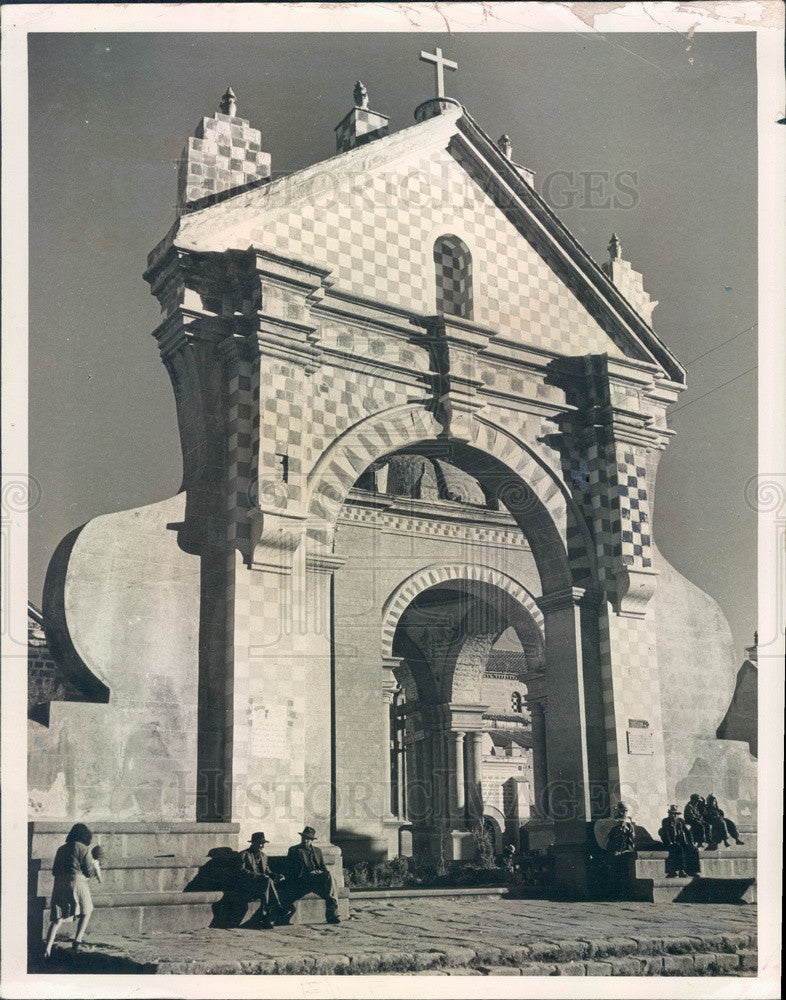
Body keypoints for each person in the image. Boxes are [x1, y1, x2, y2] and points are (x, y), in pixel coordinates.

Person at [44, 823, 101, 959]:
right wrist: (96, 866)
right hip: (77, 881)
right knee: (87, 909)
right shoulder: (84, 849)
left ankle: (47, 948)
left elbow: (54, 871)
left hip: (60, 882)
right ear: (85, 836)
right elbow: (88, 872)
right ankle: (78, 940)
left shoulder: (61, 849)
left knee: (58, 917)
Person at [236, 832, 293, 928]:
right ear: (252, 843)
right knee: (267, 882)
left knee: (267, 882)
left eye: (263, 843)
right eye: (259, 843)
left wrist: (276, 875)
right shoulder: (244, 855)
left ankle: (267, 915)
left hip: (262, 885)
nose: (261, 846)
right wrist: (258, 876)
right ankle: (276, 908)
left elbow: (268, 871)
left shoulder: (264, 856)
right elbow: (240, 871)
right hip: (247, 885)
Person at [285, 826, 341, 924]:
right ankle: (333, 914)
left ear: (311, 840)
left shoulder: (317, 851)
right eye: (304, 838)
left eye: (308, 839)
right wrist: (308, 873)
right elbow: (291, 870)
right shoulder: (294, 850)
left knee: (330, 878)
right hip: (302, 881)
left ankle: (332, 915)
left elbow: (323, 868)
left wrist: (319, 872)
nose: (305, 840)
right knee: (331, 887)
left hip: (316, 882)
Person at [658, 805, 701, 878]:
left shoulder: (681, 821)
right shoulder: (666, 821)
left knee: (693, 849)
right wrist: (669, 842)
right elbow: (666, 832)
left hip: (680, 842)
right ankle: (681, 870)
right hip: (670, 843)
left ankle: (693, 871)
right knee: (679, 849)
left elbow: (687, 832)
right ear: (669, 814)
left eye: (676, 814)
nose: (674, 815)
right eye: (672, 813)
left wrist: (691, 842)